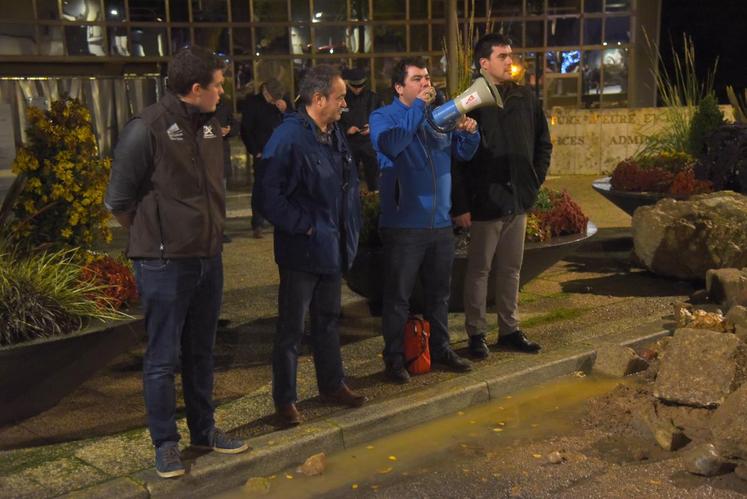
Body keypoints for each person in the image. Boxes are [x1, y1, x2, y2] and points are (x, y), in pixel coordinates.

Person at [104, 46, 248, 479]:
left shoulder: (209, 125)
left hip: (208, 257)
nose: (223, 92)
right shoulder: (146, 128)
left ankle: (204, 430)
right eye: (218, 85)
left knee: (201, 352)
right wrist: (156, 238)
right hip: (164, 264)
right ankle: (165, 444)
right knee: (163, 358)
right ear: (196, 88)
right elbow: (118, 201)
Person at [260, 64, 366, 427]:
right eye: (339, 98)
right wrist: (303, 227)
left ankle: (332, 385)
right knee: (291, 328)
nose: (344, 105)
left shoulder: (333, 132)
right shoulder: (288, 138)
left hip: (331, 247)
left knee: (328, 322)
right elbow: (268, 197)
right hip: (303, 251)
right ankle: (285, 401)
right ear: (318, 99)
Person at [369, 57, 480, 384]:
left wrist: (469, 134)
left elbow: (463, 155)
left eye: (428, 77)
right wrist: (417, 110)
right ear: (399, 87)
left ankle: (442, 348)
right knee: (398, 297)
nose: (426, 84)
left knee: (439, 294)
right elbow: (392, 145)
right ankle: (394, 358)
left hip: (440, 224)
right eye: (418, 79)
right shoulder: (383, 117)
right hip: (404, 226)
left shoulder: (438, 114)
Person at [451, 33, 553, 359]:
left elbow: (543, 143)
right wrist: (462, 204)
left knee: (511, 269)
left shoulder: (525, 97)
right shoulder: (471, 101)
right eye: (502, 56)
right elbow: (456, 158)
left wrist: (532, 182)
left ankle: (510, 330)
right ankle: (476, 334)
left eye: (510, 55)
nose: (510, 61)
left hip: (517, 199)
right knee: (480, 270)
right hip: (485, 201)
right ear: (484, 63)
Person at [240, 78, 292, 238]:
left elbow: (296, 121)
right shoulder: (252, 103)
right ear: (265, 92)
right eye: (272, 97)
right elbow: (246, 130)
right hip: (263, 153)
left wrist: (286, 110)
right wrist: (255, 151)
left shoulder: (284, 102)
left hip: (283, 152)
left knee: (283, 187)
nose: (275, 100)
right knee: (261, 188)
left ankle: (279, 218)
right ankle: (258, 223)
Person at [339, 67, 383, 191]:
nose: (357, 89)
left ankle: (375, 202)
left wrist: (373, 127)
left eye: (360, 86)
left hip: (369, 143)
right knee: (350, 177)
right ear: (348, 84)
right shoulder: (342, 99)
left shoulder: (373, 98)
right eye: (354, 86)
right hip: (349, 143)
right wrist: (347, 129)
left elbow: (383, 118)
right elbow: (334, 121)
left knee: (373, 177)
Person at [214, 96, 236, 243]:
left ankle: (219, 231)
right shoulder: (200, 106)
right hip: (207, 159)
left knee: (221, 197)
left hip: (221, 157)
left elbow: (235, 124)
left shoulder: (225, 104)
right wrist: (216, 131)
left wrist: (229, 130)